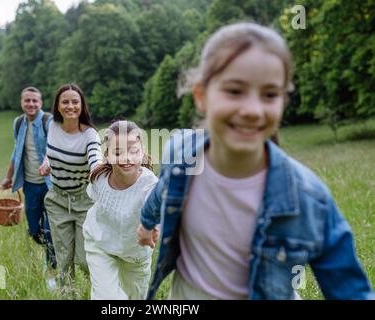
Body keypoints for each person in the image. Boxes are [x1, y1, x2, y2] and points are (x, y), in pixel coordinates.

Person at [137, 22, 374, 300]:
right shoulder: (180, 153)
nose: (252, 110)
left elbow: (351, 290)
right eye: (235, 91)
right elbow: (162, 191)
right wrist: (146, 222)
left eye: (270, 95)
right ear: (201, 96)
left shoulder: (307, 197)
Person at [82, 120, 159, 300]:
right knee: (106, 297)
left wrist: (153, 229)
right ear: (107, 155)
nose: (127, 158)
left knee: (136, 297)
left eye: (134, 151)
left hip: (135, 253)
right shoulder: (99, 178)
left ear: (142, 153)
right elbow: (93, 157)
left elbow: (156, 208)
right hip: (100, 242)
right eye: (118, 152)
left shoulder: (149, 184)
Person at [39, 83, 101, 291]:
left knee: (84, 260)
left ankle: (102, 294)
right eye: (65, 102)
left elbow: (95, 159)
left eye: (75, 102)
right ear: (57, 105)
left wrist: (97, 171)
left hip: (83, 202)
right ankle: (68, 295)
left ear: (82, 106)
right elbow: (52, 150)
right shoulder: (52, 126)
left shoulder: (89, 135)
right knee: (64, 261)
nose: (70, 106)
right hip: (57, 200)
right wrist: (47, 162)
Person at [1, 86, 57, 289]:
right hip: (30, 186)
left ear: (41, 103)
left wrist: (48, 161)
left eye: (35, 100)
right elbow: (16, 153)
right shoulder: (18, 123)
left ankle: (52, 271)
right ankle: (50, 254)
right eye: (27, 101)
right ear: (22, 103)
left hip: (50, 185)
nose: (31, 104)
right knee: (34, 231)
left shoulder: (48, 121)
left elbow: (54, 146)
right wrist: (8, 177)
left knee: (51, 231)